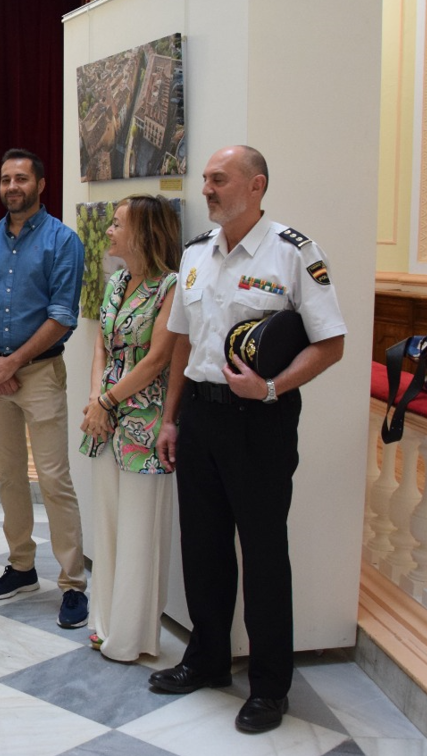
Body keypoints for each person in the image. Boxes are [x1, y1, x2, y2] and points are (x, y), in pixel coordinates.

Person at [151, 145, 346, 734]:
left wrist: (272, 388)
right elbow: (182, 343)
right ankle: (208, 659)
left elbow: (330, 343)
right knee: (202, 546)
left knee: (262, 554)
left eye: (219, 179)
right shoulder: (194, 255)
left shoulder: (294, 253)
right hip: (201, 418)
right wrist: (170, 418)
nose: (207, 189)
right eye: (205, 180)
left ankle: (268, 686)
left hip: (261, 421)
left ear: (256, 186)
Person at [0, 147, 88, 628]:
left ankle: (73, 583)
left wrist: (13, 361)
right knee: (9, 476)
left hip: (38, 376)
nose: (12, 186)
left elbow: (63, 315)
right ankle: (21, 566)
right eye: (5, 179)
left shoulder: (63, 241)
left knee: (54, 480)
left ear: (40, 184)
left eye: (21, 179)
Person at [77, 195, 181, 660]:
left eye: (119, 224)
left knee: (139, 529)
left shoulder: (171, 287)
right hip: (105, 415)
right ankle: (104, 622)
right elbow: (101, 343)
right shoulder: (117, 282)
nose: (111, 231)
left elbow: (159, 358)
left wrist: (107, 400)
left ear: (143, 232)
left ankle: (132, 635)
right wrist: (97, 399)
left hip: (144, 419)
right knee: (109, 524)